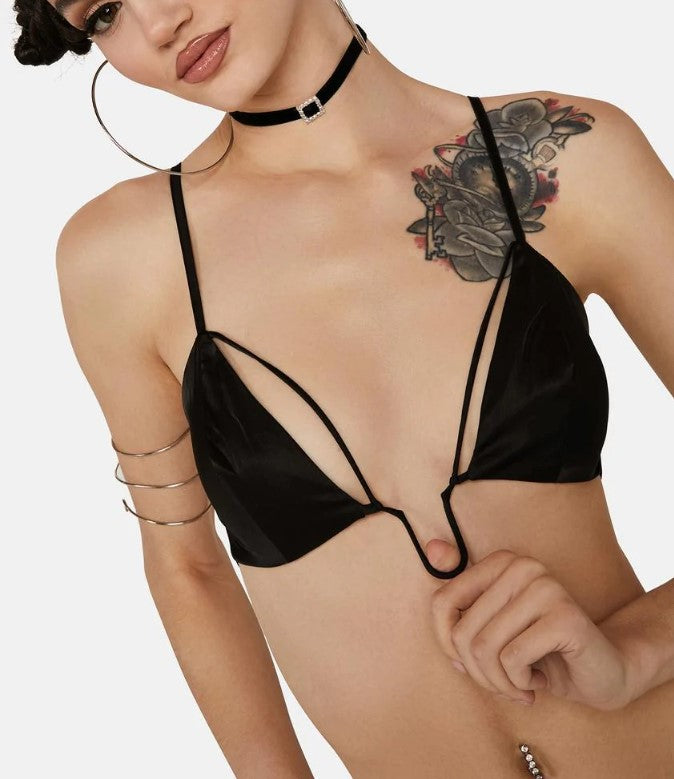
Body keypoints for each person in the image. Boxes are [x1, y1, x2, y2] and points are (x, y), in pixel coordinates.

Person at [13, 0, 674, 776]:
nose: (159, 24)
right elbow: (188, 567)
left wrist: (634, 655)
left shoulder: (560, 155)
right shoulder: (124, 260)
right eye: (103, 13)